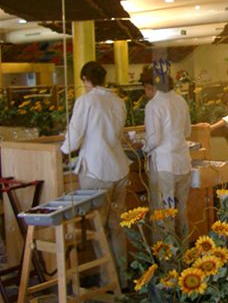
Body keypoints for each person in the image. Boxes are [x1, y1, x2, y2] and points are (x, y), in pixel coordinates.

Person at [60, 61, 129, 289]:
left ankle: (107, 282)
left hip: (97, 171)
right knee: (116, 226)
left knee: (99, 228)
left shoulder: (86, 101)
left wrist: (63, 152)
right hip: (119, 169)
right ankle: (123, 279)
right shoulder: (117, 101)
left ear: (84, 79)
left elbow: (74, 137)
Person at [140, 68, 192, 238]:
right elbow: (187, 132)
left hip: (164, 167)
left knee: (164, 216)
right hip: (183, 163)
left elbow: (154, 140)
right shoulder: (180, 100)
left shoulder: (153, 105)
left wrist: (143, 145)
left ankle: (166, 254)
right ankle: (184, 250)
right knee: (182, 213)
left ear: (149, 86)